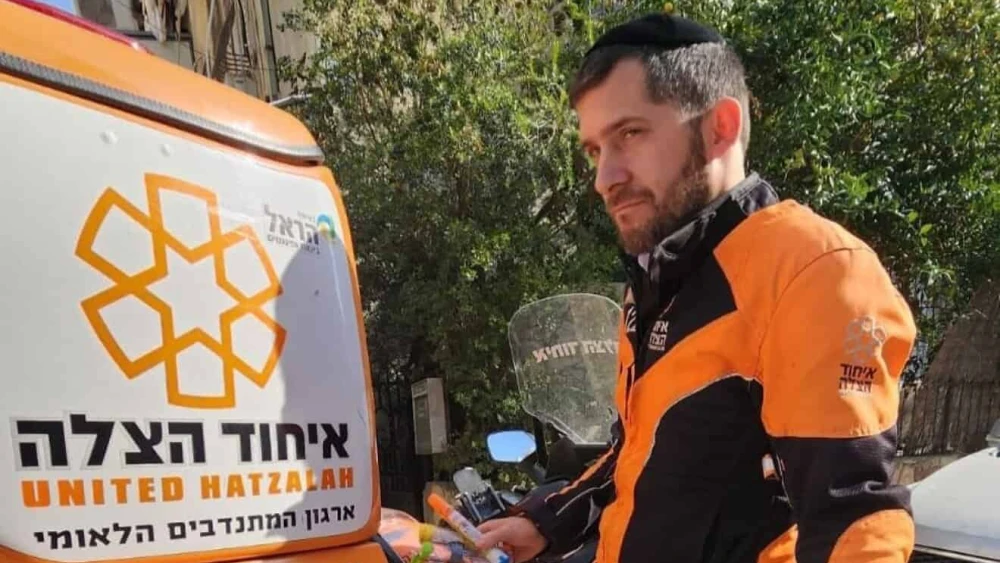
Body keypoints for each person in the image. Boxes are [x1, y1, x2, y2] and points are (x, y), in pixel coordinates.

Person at [476, 11, 917, 563]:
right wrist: (548, 521)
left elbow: (855, 525)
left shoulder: (816, 272)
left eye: (629, 134)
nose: (603, 178)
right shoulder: (659, 276)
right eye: (594, 150)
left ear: (720, 127)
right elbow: (633, 454)